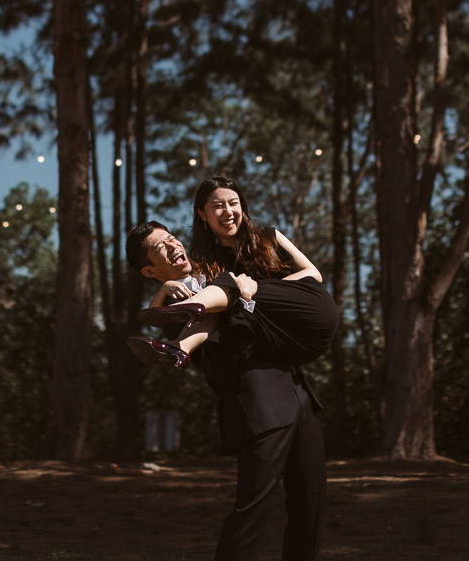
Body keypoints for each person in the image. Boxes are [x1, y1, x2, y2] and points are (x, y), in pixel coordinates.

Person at [125, 219, 328, 561]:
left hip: (299, 396)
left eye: (172, 238)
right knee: (251, 512)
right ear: (149, 270)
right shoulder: (179, 317)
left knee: (312, 504)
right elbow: (228, 357)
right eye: (161, 247)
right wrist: (245, 304)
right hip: (260, 408)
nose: (173, 245)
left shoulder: (214, 274)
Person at [126, 177, 339, 371]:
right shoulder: (207, 265)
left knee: (230, 286)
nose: (228, 212)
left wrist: (256, 289)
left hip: (310, 313)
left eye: (233, 203)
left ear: (242, 207)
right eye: (218, 206)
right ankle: (178, 348)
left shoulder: (270, 237)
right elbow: (168, 310)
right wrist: (166, 287)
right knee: (220, 298)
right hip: (281, 339)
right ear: (202, 214)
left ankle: (189, 309)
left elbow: (313, 274)